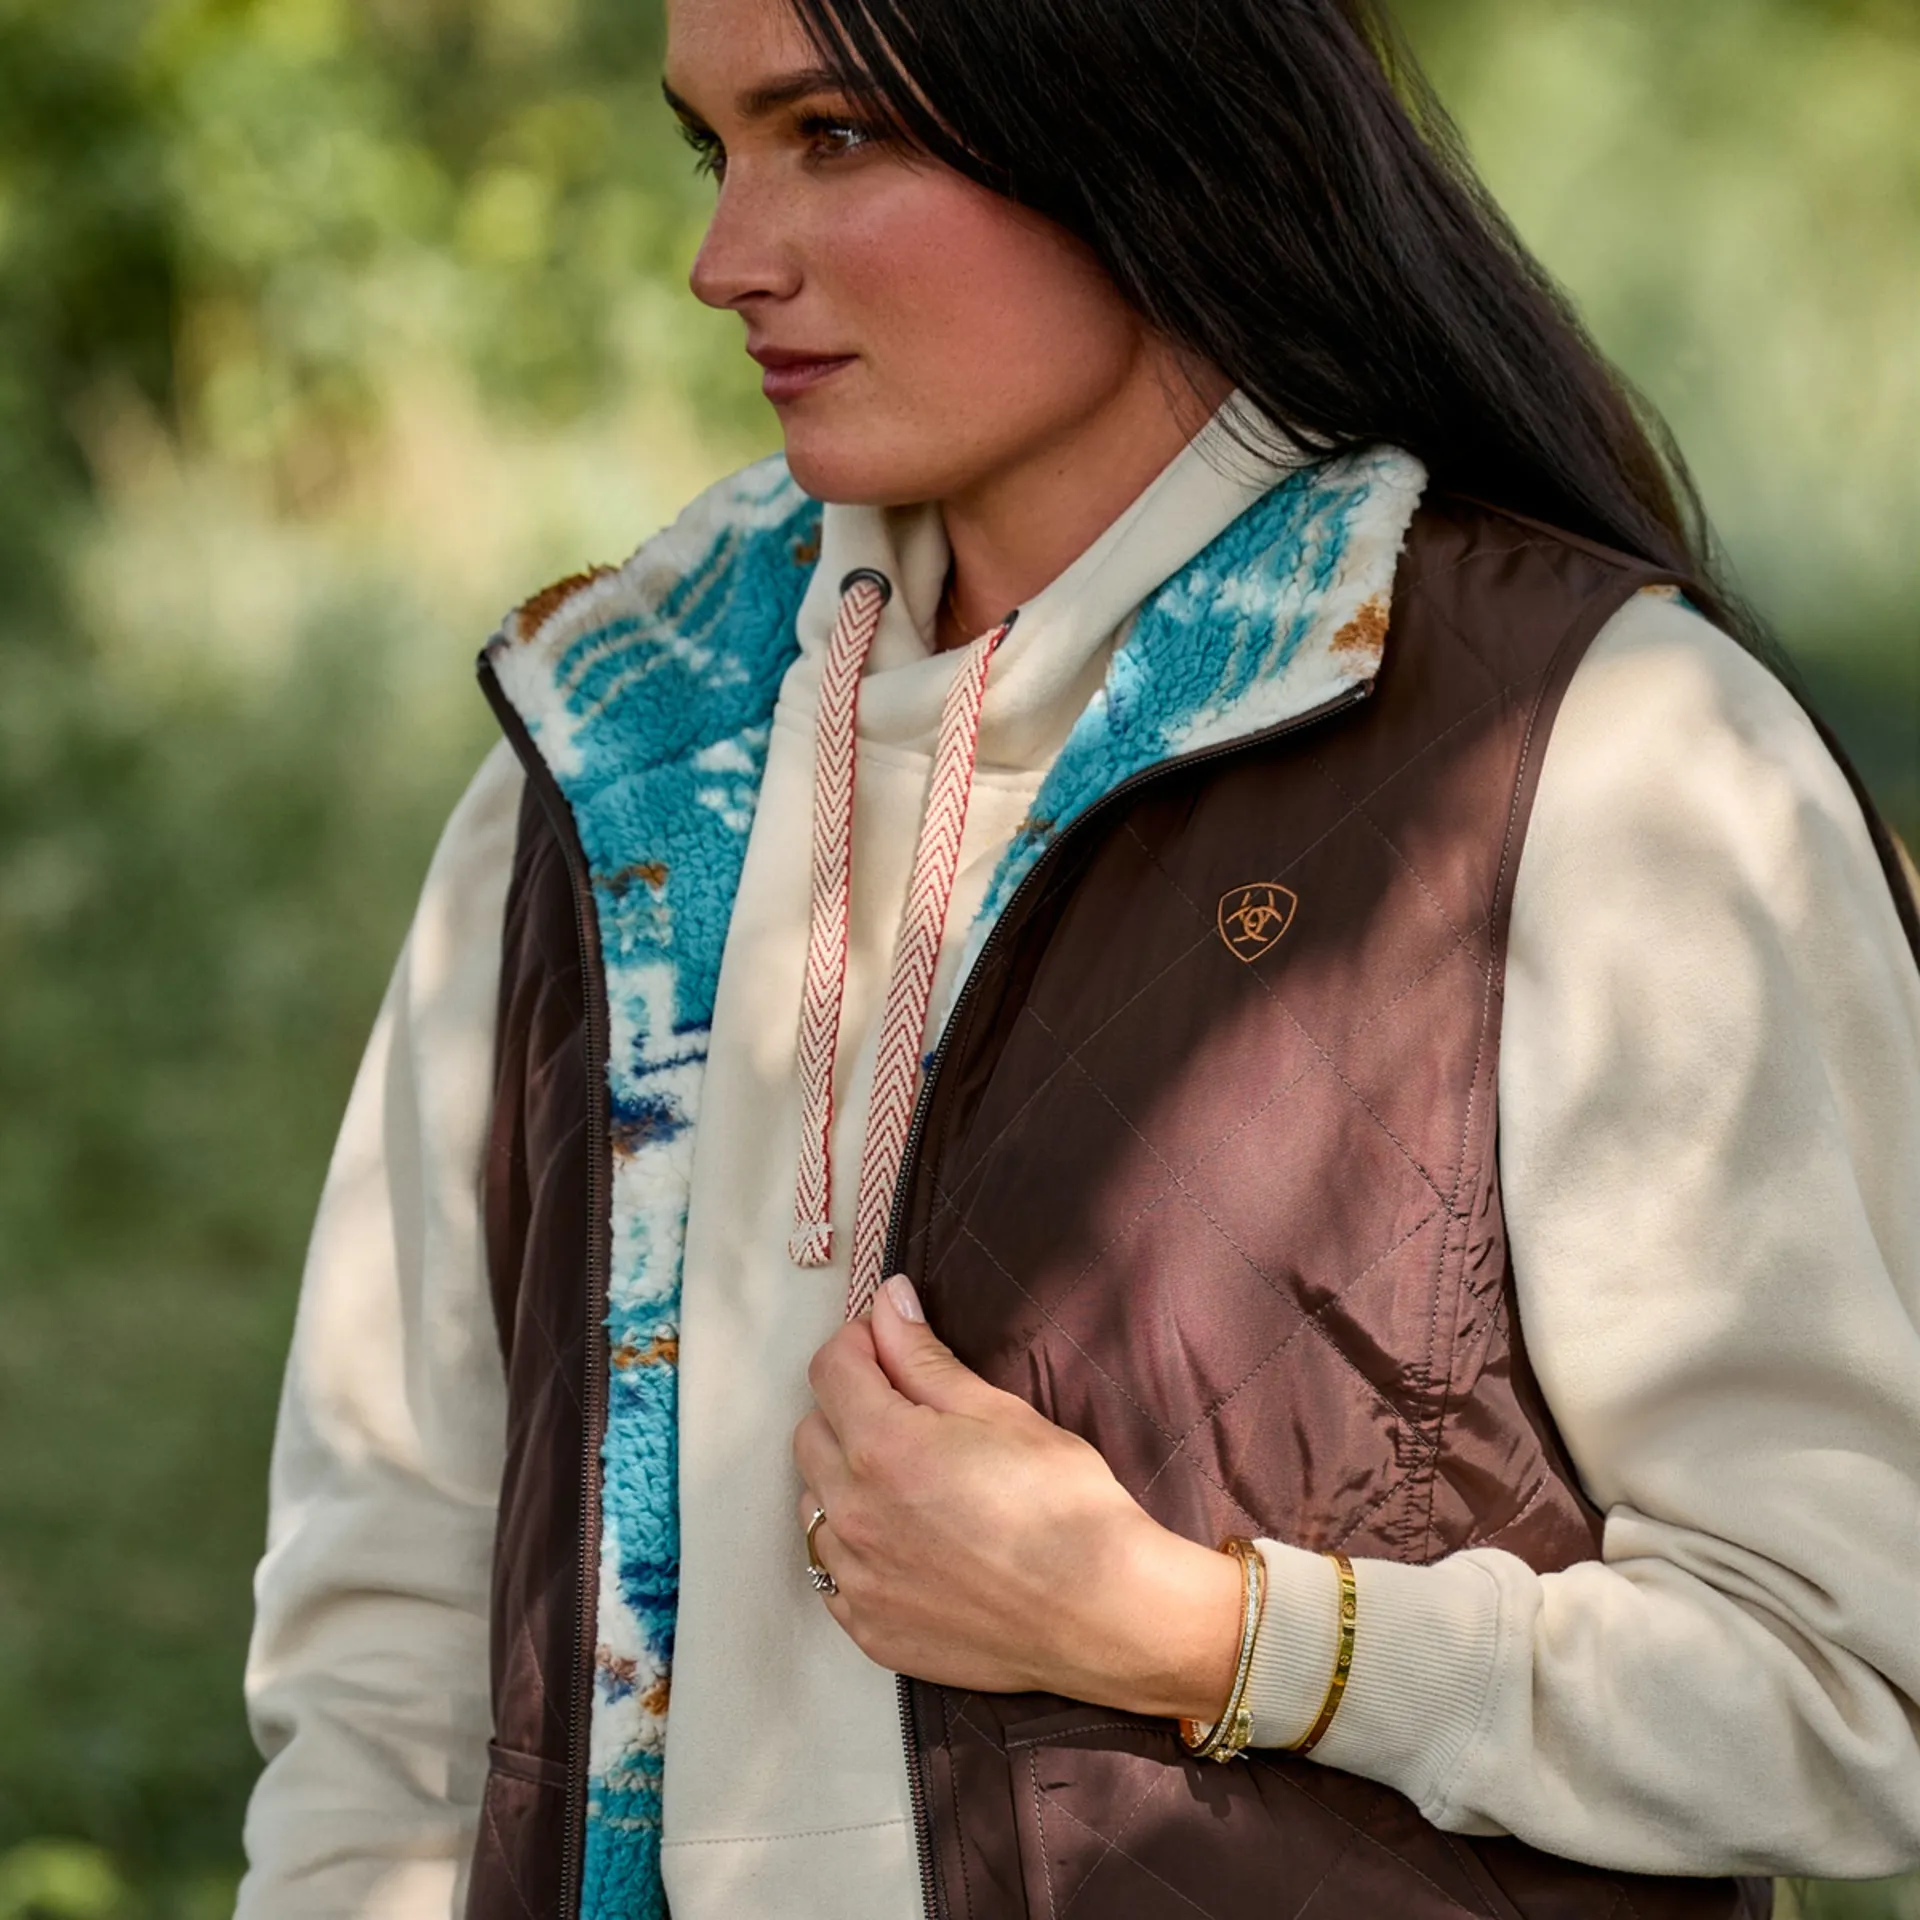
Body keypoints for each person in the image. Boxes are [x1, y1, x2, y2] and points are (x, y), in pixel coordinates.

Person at [236, 0, 1920, 1914]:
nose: (725, 260)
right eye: (716, 149)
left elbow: (1858, 1684)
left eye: (834, 135)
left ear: (1138, 122)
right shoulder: (611, 757)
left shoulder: (1593, 757)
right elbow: (388, 1652)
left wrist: (1202, 1633)